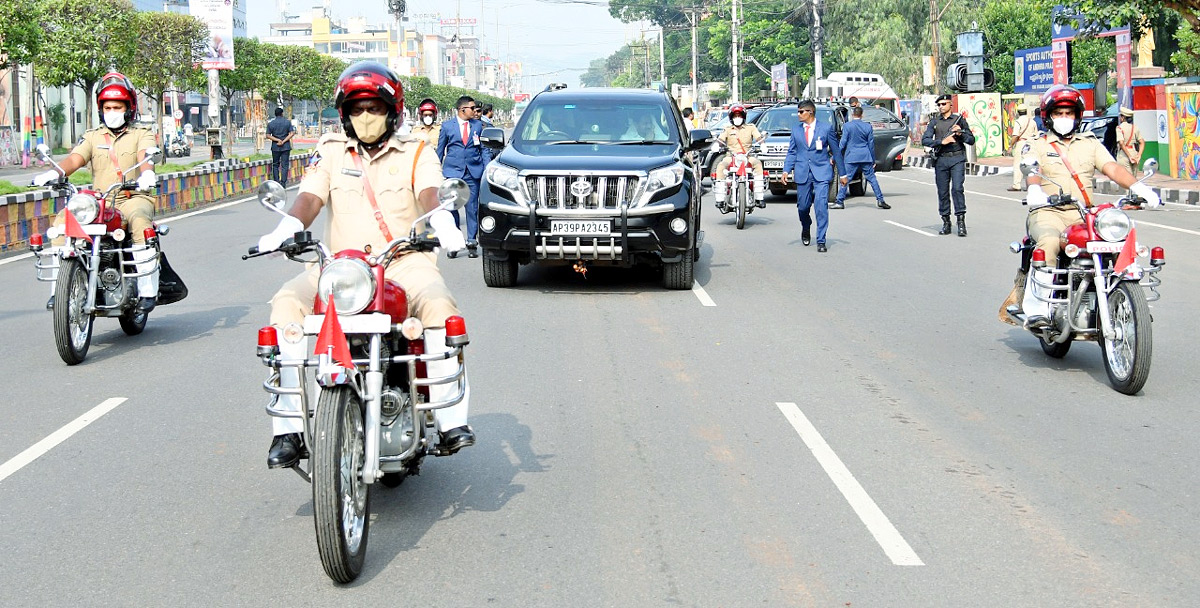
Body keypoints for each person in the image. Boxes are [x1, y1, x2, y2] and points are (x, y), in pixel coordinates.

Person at [255, 61, 474, 469]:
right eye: (357, 109)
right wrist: (284, 228)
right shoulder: (330, 151)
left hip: (401, 263)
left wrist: (442, 221)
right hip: (340, 270)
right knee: (286, 304)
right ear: (345, 114)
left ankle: (449, 417)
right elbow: (310, 198)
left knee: (439, 305)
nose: (366, 117)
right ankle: (287, 427)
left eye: (374, 108)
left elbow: (430, 191)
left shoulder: (416, 152)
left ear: (393, 112)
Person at [1006, 85, 1161, 329]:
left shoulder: (1090, 143)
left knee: (1120, 240)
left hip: (1085, 214)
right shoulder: (1037, 143)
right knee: (1048, 242)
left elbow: (1114, 168)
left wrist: (1139, 188)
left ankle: (1131, 304)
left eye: (1069, 113)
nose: (1064, 118)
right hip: (1048, 212)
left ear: (1077, 116)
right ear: (1049, 117)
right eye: (1059, 113)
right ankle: (1039, 309)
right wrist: (1034, 189)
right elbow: (1031, 169)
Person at [33, 72, 159, 312]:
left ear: (129, 108)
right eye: (108, 107)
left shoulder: (141, 133)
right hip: (99, 202)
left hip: (132, 197)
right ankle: (58, 292)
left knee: (140, 220)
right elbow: (75, 158)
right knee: (62, 222)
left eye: (117, 106)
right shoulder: (92, 136)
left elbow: (146, 157)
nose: (112, 111)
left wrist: (147, 174)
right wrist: (56, 172)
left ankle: (147, 290)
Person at [782, 99, 847, 253]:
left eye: (801, 111)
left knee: (821, 205)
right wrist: (786, 170)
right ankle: (806, 226)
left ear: (810, 112)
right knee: (803, 207)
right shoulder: (796, 130)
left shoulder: (826, 128)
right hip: (802, 172)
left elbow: (836, 151)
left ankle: (821, 239)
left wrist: (843, 174)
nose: (798, 114)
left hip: (822, 172)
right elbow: (792, 151)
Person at [921, 94, 975, 236]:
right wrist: (940, 142)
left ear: (951, 104)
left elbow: (971, 140)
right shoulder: (934, 122)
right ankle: (946, 222)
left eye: (944, 104)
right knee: (943, 192)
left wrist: (960, 133)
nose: (941, 107)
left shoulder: (959, 120)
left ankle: (961, 223)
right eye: (939, 105)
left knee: (957, 189)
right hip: (941, 160)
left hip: (957, 158)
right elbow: (925, 140)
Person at [436, 96, 486, 239]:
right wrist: (435, 171)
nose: (475, 111)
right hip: (453, 173)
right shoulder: (447, 126)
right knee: (452, 208)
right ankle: (455, 238)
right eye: (472, 108)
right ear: (462, 109)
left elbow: (484, 150)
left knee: (472, 208)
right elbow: (440, 150)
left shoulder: (477, 125)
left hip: (473, 173)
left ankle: (471, 240)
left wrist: (485, 168)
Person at [835, 106, 889, 209]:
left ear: (852, 114)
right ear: (862, 115)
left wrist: (835, 156)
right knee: (872, 179)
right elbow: (871, 145)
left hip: (851, 157)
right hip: (865, 156)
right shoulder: (867, 127)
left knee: (846, 179)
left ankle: (839, 201)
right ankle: (880, 200)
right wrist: (873, 160)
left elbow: (843, 143)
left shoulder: (847, 126)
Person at [713, 104, 766, 208]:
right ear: (731, 118)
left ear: (744, 117)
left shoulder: (751, 127)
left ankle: (759, 197)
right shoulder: (728, 129)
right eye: (735, 116)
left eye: (740, 116)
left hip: (747, 156)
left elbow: (758, 137)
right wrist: (716, 145)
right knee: (720, 166)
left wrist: (763, 145)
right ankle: (720, 198)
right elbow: (721, 139)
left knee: (758, 164)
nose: (738, 118)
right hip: (731, 157)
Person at [1008, 104, 1038, 191]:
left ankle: (1016, 185)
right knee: (1030, 164)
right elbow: (1036, 135)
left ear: (1018, 112)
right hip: (1031, 144)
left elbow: (1015, 136)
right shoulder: (1032, 122)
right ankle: (1031, 185)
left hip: (1021, 143)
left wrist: (1011, 146)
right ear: (1026, 111)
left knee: (1018, 164)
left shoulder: (1018, 122)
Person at [265, 107, 296, 186]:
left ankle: (276, 182)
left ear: (275, 114)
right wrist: (283, 141)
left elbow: (268, 135)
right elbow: (292, 133)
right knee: (284, 165)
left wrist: (277, 140)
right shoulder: (287, 122)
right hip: (285, 146)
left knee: (275, 164)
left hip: (275, 147)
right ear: (282, 113)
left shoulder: (271, 124)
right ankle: (283, 183)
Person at [1115, 107, 1145, 178]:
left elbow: (1121, 143)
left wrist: (1129, 156)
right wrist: (1139, 155)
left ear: (1123, 118)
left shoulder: (1119, 128)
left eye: (1121, 116)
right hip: (1134, 153)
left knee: (1126, 179)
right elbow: (1142, 142)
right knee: (1134, 179)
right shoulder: (1135, 127)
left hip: (1124, 155)